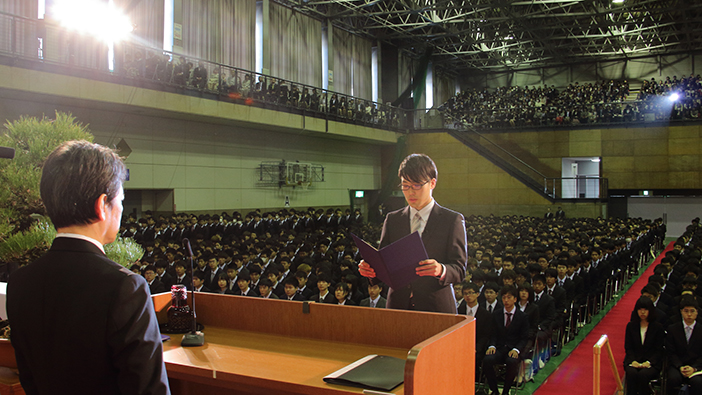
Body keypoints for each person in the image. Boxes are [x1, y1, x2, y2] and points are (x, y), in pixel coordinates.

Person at [7, 140, 170, 394]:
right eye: (121, 200)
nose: (122, 209)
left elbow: (30, 379)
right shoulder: (124, 287)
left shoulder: (20, 281)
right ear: (102, 205)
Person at [358, 153, 467, 313]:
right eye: (405, 186)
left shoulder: (451, 220)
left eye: (416, 185)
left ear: (432, 183)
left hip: (435, 306)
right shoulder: (393, 219)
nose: (410, 192)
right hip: (398, 305)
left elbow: (459, 269)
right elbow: (384, 263)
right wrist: (371, 270)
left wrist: (441, 269)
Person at [483, 285, 529, 395]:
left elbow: (524, 338)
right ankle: (494, 390)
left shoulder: (522, 316)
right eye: (504, 297)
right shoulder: (496, 314)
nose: (506, 300)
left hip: (513, 348)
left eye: (509, 297)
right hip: (499, 347)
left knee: (511, 361)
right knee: (487, 360)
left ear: (515, 299)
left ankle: (506, 391)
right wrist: (492, 345)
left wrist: (517, 349)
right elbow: (492, 333)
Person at [624, 297, 664, 395]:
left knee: (643, 375)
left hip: (652, 363)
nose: (642, 312)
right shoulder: (631, 326)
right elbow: (628, 347)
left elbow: (658, 350)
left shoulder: (658, 327)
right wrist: (633, 361)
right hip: (634, 360)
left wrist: (649, 362)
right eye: (640, 309)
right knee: (632, 373)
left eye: (645, 310)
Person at [666, 296, 702, 395]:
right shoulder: (673, 329)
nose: (689, 314)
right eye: (686, 311)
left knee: (698, 382)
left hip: (697, 367)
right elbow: (671, 352)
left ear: (697, 312)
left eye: (692, 311)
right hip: (677, 365)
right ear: (681, 312)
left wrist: (694, 368)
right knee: (673, 379)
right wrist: (680, 366)